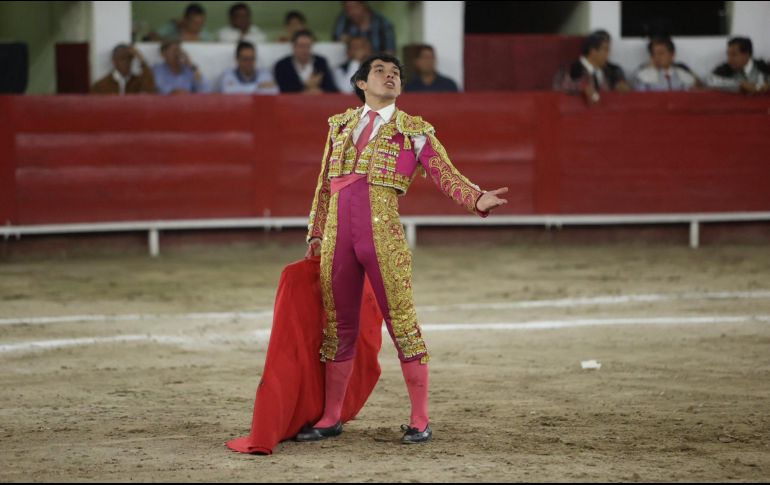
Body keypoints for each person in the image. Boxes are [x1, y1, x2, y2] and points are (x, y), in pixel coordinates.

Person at [298, 54, 508, 444]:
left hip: (383, 237)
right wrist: (316, 231)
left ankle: (420, 418)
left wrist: (475, 199)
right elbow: (325, 184)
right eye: (381, 71)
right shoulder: (340, 126)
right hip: (337, 237)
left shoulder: (413, 130)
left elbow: (445, 172)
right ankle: (331, 417)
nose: (390, 76)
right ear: (361, 82)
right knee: (338, 327)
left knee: (402, 325)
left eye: (396, 74)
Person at [553, 30, 629, 103]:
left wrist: (622, 88)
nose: (608, 54)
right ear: (593, 51)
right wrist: (581, 88)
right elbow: (558, 89)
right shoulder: (571, 69)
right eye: (605, 49)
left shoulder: (613, 71)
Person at [274, 30, 338, 94]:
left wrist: (320, 92)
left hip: (318, 102)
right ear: (293, 46)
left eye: (308, 46)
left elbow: (332, 89)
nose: (305, 50)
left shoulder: (321, 62)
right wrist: (307, 87)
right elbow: (284, 92)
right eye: (301, 46)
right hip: (291, 103)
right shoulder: (282, 66)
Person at [633, 36, 699, 91]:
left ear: (672, 55)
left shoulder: (682, 73)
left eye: (661, 53)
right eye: (653, 54)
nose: (657, 57)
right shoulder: (642, 75)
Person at [90, 44, 155, 95]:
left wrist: (141, 59)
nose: (127, 63)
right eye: (123, 59)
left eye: (130, 59)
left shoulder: (137, 81)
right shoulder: (101, 85)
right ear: (114, 61)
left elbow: (149, 88)